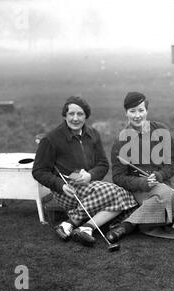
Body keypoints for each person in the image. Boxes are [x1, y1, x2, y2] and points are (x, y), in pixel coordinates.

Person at [32, 96, 138, 246]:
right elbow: (39, 171)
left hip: (90, 185)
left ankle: (80, 226)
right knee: (116, 193)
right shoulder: (51, 139)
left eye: (80, 114)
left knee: (125, 197)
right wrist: (60, 185)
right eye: (71, 114)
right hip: (67, 190)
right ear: (65, 115)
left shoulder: (93, 134)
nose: (75, 118)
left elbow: (103, 164)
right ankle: (76, 223)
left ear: (86, 116)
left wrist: (90, 175)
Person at [109, 91, 174, 243]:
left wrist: (159, 176)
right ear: (126, 113)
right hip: (139, 189)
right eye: (132, 111)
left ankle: (127, 225)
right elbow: (118, 177)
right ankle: (135, 223)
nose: (137, 115)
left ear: (147, 111)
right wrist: (142, 183)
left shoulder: (161, 130)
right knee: (164, 194)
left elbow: (173, 163)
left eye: (141, 110)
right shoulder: (121, 141)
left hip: (161, 183)